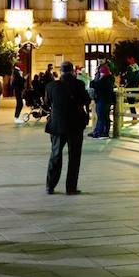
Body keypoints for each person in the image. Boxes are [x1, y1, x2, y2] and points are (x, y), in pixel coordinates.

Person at [44, 61, 91, 195]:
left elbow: (47, 104)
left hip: (57, 125)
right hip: (75, 125)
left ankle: (50, 186)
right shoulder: (79, 84)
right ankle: (70, 188)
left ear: (61, 72)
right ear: (72, 71)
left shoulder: (51, 86)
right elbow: (86, 100)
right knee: (74, 157)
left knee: (55, 155)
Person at [89, 65, 115, 139]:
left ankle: (101, 133)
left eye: (99, 72)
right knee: (104, 116)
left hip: (102, 100)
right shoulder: (109, 79)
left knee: (101, 117)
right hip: (106, 100)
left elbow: (95, 85)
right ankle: (99, 131)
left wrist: (95, 80)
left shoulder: (104, 80)